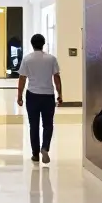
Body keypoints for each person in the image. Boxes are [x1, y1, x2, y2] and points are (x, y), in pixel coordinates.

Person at [17, 33, 62, 164]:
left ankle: (35, 154)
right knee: (48, 124)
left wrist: (19, 96)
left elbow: (22, 78)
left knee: (34, 125)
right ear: (43, 44)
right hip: (48, 95)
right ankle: (45, 148)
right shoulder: (51, 59)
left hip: (32, 95)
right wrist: (60, 94)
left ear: (32, 44)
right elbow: (56, 77)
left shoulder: (27, 59)